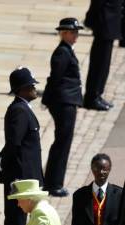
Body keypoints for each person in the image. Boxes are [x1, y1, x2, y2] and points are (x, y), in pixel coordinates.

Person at [0, 67, 43, 225]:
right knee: (16, 222)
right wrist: (14, 176)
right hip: (20, 179)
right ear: (22, 89)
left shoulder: (23, 109)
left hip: (25, 178)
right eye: (31, 86)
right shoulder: (18, 110)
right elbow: (15, 144)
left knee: (20, 222)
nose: (35, 89)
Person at [42, 17, 85, 198]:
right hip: (63, 102)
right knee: (62, 142)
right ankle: (54, 183)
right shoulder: (62, 53)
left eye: (76, 33)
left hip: (67, 100)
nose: (76, 36)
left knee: (63, 142)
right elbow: (55, 78)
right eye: (73, 32)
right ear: (64, 33)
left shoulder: (67, 51)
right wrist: (48, 99)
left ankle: (53, 181)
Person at [83, 0, 123, 111]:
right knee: (99, 63)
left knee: (104, 63)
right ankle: (92, 97)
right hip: (105, 19)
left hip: (111, 17)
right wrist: (90, 18)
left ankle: (97, 94)